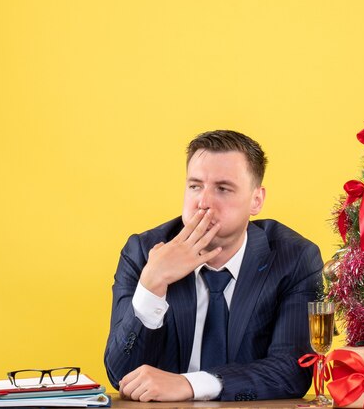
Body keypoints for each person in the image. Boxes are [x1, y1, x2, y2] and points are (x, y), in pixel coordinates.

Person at [104, 130, 322, 402]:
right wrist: (152, 285)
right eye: (195, 186)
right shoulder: (142, 252)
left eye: (223, 188)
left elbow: (292, 371)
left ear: (256, 200)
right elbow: (121, 376)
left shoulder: (295, 258)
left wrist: (190, 384)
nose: (203, 202)